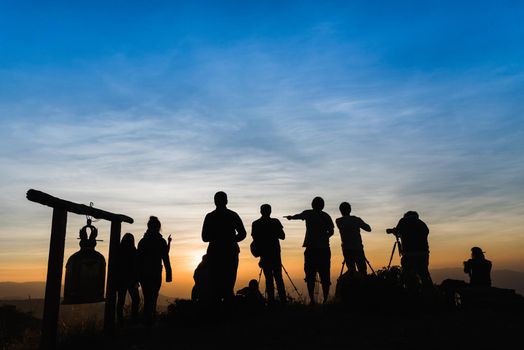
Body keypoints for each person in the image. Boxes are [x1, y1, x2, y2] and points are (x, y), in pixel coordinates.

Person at [286, 196, 334, 304]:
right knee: (325, 275)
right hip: (324, 249)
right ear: (323, 205)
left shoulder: (308, 213)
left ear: (312, 205)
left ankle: (312, 300)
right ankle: (326, 300)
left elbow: (299, 216)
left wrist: (290, 217)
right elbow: (331, 231)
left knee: (310, 275)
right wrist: (324, 237)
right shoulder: (326, 216)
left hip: (311, 249)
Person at [202, 191, 247, 304]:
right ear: (226, 201)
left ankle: (218, 315)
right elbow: (242, 234)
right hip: (229, 253)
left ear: (215, 202)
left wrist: (218, 238)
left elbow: (204, 237)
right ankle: (228, 314)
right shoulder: (232, 215)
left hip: (216, 253)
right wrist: (230, 239)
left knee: (215, 285)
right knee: (228, 284)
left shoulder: (210, 216)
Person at [136, 216, 172, 325]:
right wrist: (169, 274)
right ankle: (151, 319)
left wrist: (136, 277)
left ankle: (147, 320)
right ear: (158, 227)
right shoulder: (160, 241)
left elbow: (138, 260)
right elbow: (165, 257)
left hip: (144, 274)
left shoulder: (142, 242)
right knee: (153, 296)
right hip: (156, 273)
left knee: (147, 298)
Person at [251, 204, 287, 304]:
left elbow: (255, 240)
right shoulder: (275, 222)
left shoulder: (256, 224)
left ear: (260, 211)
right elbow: (283, 236)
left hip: (265, 255)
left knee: (269, 279)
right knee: (279, 279)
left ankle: (271, 302)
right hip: (275, 254)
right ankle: (283, 301)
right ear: (270, 211)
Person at [392, 211, 433, 292]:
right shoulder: (422, 224)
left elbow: (397, 231)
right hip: (423, 253)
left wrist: (394, 231)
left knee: (407, 274)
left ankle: (410, 293)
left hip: (409, 253)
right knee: (424, 274)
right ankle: (430, 293)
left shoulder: (403, 221)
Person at [335, 202, 371, 275]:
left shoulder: (338, 221)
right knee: (363, 271)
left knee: (352, 272)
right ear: (350, 210)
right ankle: (364, 285)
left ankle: (354, 285)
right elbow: (368, 229)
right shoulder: (356, 220)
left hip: (347, 249)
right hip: (358, 248)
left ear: (340, 211)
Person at [116, 233, 140, 323]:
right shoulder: (134, 251)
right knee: (136, 299)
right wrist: (136, 279)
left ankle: (120, 320)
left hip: (122, 280)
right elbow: (136, 266)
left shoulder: (119, 251)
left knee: (121, 300)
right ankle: (134, 318)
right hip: (131, 280)